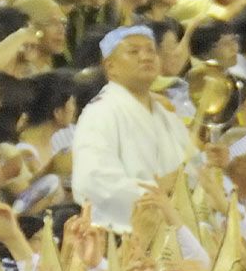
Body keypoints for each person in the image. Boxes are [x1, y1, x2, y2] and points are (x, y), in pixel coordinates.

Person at [69, 26, 196, 225]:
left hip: (174, 225)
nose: (145, 57)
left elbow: (190, 167)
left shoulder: (165, 114)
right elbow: (92, 181)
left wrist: (209, 165)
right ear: (110, 66)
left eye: (151, 51)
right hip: (126, 234)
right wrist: (153, 190)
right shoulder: (101, 113)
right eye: (133, 52)